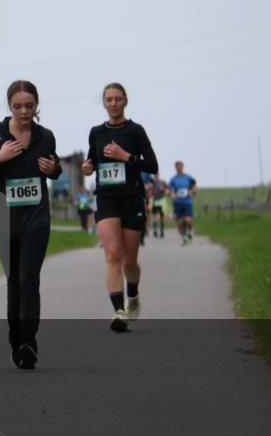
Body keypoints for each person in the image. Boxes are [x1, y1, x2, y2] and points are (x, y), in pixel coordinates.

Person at [0, 80, 61, 370]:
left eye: (29, 106)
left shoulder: (45, 137)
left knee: (29, 279)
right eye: (18, 106)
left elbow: (54, 166)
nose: (24, 111)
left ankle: (28, 342)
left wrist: (53, 170)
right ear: (9, 106)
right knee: (14, 281)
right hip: (2, 216)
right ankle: (15, 341)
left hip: (36, 217)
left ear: (37, 105)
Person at [82, 82, 158, 333]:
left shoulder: (135, 131)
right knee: (112, 253)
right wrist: (88, 167)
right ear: (103, 103)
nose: (113, 103)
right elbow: (92, 160)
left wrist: (125, 156)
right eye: (109, 99)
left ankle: (133, 295)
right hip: (106, 199)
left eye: (118, 99)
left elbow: (152, 166)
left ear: (125, 101)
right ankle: (118, 310)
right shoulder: (96, 132)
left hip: (132, 199)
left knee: (129, 261)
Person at [168, 161, 198, 245]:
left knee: (188, 220)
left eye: (180, 166)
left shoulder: (188, 178)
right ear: (175, 168)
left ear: (183, 167)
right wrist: (171, 194)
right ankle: (184, 238)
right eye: (177, 167)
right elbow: (168, 190)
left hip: (187, 202)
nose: (178, 168)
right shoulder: (173, 179)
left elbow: (194, 185)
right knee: (180, 222)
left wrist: (193, 191)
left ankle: (189, 233)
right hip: (177, 203)